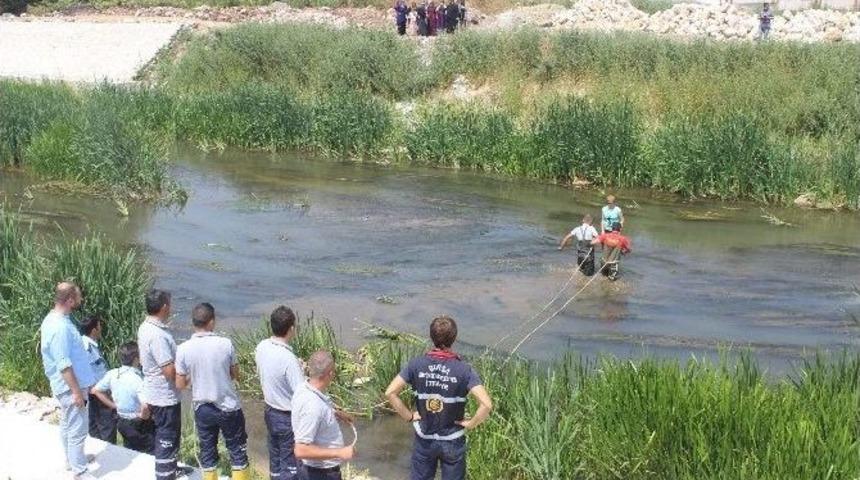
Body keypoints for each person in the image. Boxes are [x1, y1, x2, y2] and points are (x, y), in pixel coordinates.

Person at [385, 316, 493, 480]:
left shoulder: (416, 364)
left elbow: (390, 393)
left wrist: (408, 416)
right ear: (454, 338)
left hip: (424, 438)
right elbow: (486, 404)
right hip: (452, 439)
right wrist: (471, 424)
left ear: (431, 337)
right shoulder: (464, 370)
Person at [176, 303, 249, 480]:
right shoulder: (225, 344)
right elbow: (235, 374)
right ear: (212, 321)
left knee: (207, 453)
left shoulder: (183, 348)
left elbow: (180, 383)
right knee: (237, 452)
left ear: (193, 322)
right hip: (228, 406)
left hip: (202, 407)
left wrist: (195, 380)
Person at [40, 282, 96, 480]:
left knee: (67, 424)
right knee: (77, 430)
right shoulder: (60, 327)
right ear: (70, 300)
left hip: (68, 386)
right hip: (70, 387)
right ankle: (79, 471)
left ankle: (72, 460)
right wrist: (76, 392)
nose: (80, 300)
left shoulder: (56, 319)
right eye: (78, 297)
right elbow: (64, 364)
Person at [255, 306, 306, 480]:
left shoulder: (262, 346)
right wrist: (303, 371)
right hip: (286, 417)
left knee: (275, 461)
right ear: (291, 328)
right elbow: (301, 393)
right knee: (290, 466)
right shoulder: (288, 358)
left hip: (270, 411)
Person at [138, 288, 182, 480]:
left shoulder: (145, 327)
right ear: (164, 307)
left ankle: (171, 469)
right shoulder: (157, 336)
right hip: (165, 397)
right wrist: (186, 382)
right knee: (166, 439)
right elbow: (169, 371)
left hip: (155, 392)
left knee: (169, 438)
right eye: (169, 305)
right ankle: (165, 475)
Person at [292, 350, 355, 480]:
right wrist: (340, 452)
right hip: (320, 473)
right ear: (330, 374)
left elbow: (315, 411)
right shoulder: (313, 406)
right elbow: (301, 450)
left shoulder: (304, 387)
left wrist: (335, 413)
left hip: (315, 470)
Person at [91, 342, 155, 454]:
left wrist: (114, 405)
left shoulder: (113, 374)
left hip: (121, 421)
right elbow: (145, 405)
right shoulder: (138, 379)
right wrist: (144, 417)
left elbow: (95, 390)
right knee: (150, 450)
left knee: (130, 450)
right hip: (138, 423)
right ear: (136, 359)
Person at [80, 314, 116, 444]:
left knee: (94, 425)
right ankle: (110, 455)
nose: (101, 329)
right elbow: (91, 372)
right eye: (99, 326)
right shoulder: (88, 348)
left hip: (91, 392)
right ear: (94, 329)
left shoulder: (85, 343)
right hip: (97, 392)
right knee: (107, 426)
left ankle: (97, 449)